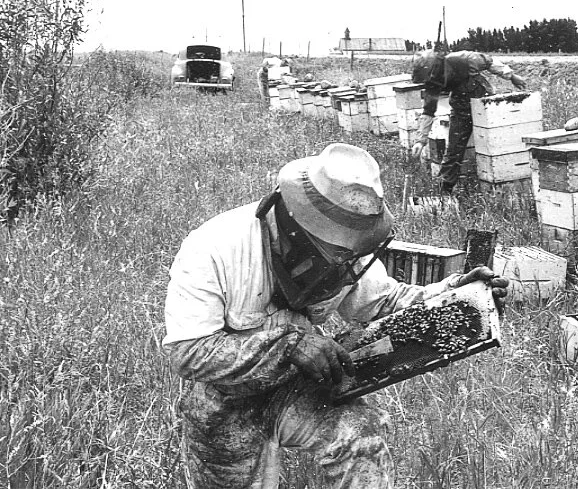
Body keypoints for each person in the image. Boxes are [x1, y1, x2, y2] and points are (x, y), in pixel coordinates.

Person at [162, 143, 509, 488]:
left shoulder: (345, 245)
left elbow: (383, 301)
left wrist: (452, 294)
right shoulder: (213, 247)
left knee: (361, 436)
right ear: (302, 230)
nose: (348, 260)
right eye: (340, 250)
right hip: (225, 399)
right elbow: (188, 353)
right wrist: (286, 347)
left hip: (300, 387)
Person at [409, 49, 527, 193]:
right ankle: (444, 191)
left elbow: (489, 61)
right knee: (453, 151)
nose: (433, 78)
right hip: (461, 109)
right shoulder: (432, 82)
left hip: (484, 104)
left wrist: (512, 76)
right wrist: (420, 141)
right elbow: (428, 112)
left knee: (495, 146)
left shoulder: (462, 59)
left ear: (437, 66)